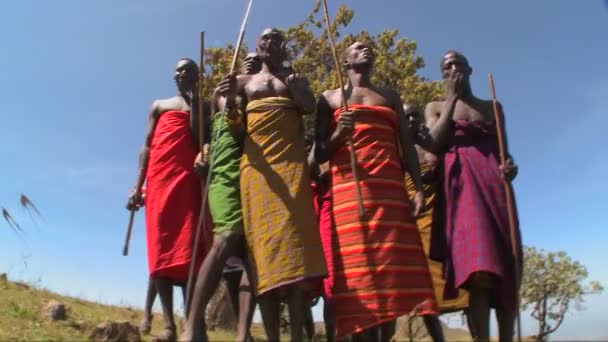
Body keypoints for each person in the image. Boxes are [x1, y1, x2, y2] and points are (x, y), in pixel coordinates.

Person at [314, 41, 436, 342]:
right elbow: (318, 153)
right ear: (345, 60)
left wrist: (418, 189)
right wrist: (339, 134)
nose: (365, 51)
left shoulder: (390, 96)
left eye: (369, 49)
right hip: (349, 195)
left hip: (391, 194)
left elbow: (406, 146)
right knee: (361, 274)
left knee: (392, 276)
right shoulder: (329, 99)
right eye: (357, 48)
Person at [424, 50, 521, 342]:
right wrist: (452, 98)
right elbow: (432, 143)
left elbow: (504, 151)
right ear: (443, 74)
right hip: (462, 188)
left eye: (458, 64)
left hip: (496, 186)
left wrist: (510, 167)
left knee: (507, 264)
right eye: (447, 66)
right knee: (478, 269)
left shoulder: (493, 106)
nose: (454, 68)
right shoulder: (436, 106)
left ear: (470, 69)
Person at [181, 53, 262, 342]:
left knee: (253, 253)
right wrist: (203, 153)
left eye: (257, 59)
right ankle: (191, 323)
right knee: (226, 235)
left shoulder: (266, 88)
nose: (251, 62)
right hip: (226, 173)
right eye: (247, 59)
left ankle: (243, 334)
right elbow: (207, 133)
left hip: (259, 176)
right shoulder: (224, 91)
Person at [127, 58, 209, 342]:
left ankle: (192, 325)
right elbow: (147, 146)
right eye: (178, 70)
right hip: (159, 181)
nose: (181, 73)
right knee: (160, 251)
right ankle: (169, 326)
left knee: (189, 251)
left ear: (197, 76)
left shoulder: (203, 105)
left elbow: (201, 141)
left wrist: (195, 104)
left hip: (187, 181)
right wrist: (138, 187)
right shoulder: (159, 105)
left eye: (188, 70)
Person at [403, 104, 470, 342]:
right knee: (426, 294)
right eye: (405, 116)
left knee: (464, 284)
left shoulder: (437, 146)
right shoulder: (399, 150)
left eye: (414, 115)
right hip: (415, 228)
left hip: (446, 222)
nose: (410, 119)